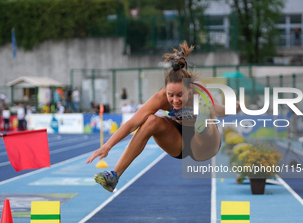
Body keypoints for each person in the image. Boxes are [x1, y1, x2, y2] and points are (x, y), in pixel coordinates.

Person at [86, 41, 239, 192]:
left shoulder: (199, 91)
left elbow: (219, 110)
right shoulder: (160, 98)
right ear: (165, 91)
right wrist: (107, 146)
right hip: (179, 144)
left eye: (180, 95)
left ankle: (202, 125)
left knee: (207, 115)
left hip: (205, 145)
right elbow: (132, 123)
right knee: (151, 120)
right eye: (170, 95)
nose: (175, 100)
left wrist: (234, 108)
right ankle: (115, 175)